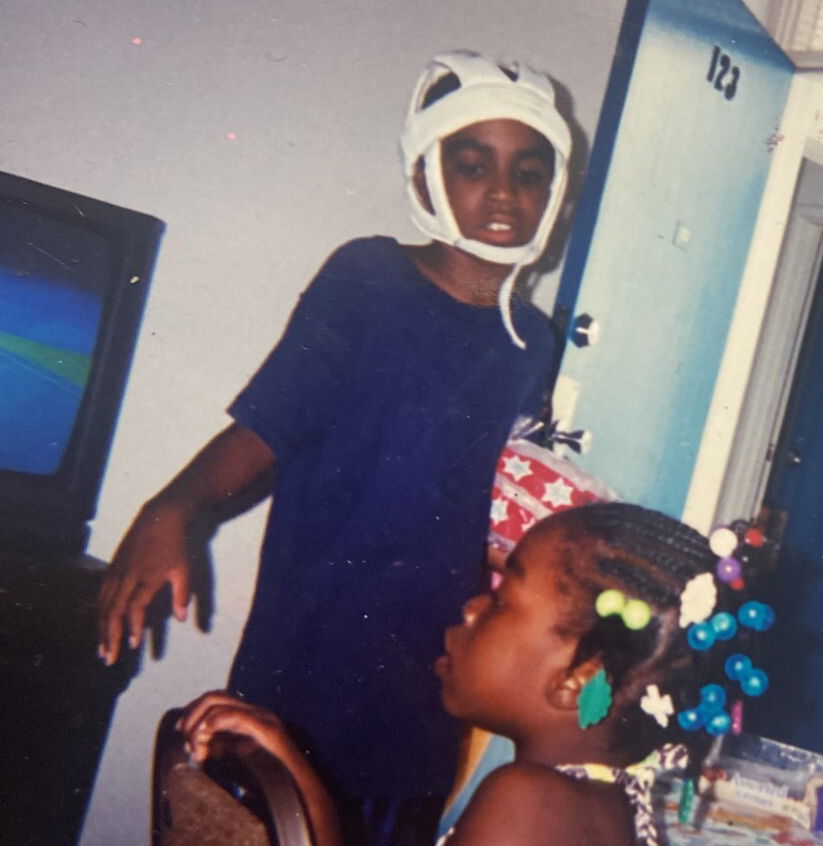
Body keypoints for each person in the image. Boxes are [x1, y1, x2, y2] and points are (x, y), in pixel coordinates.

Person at [97, 51, 572, 845]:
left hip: (425, 703)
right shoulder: (368, 278)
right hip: (303, 676)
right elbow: (269, 427)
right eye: (473, 164)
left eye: (528, 173)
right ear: (425, 176)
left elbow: (490, 502)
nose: (502, 191)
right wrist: (175, 505)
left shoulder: (534, 342)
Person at [177, 502, 775, 846]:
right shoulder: (598, 804)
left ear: (577, 679)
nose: (471, 607)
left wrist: (296, 781)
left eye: (502, 599)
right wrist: (298, 777)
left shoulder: (527, 803)